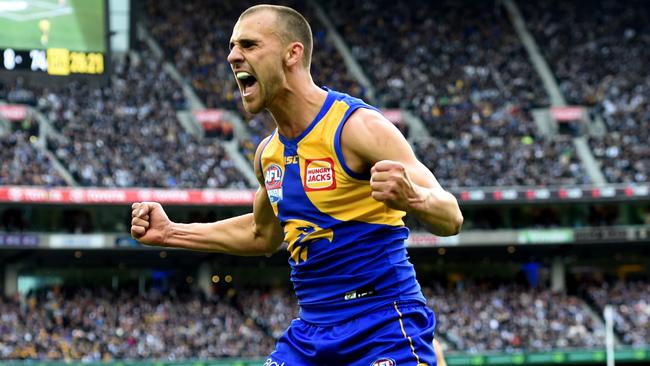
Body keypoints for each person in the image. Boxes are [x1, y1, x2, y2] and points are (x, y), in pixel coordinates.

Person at [131, 4, 462, 365]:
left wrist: (413, 197)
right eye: (232, 46)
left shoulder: (358, 127)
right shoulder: (267, 155)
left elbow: (451, 217)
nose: (232, 56)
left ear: (293, 53)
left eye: (249, 45)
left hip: (381, 322)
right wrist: (171, 233)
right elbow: (262, 235)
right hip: (312, 331)